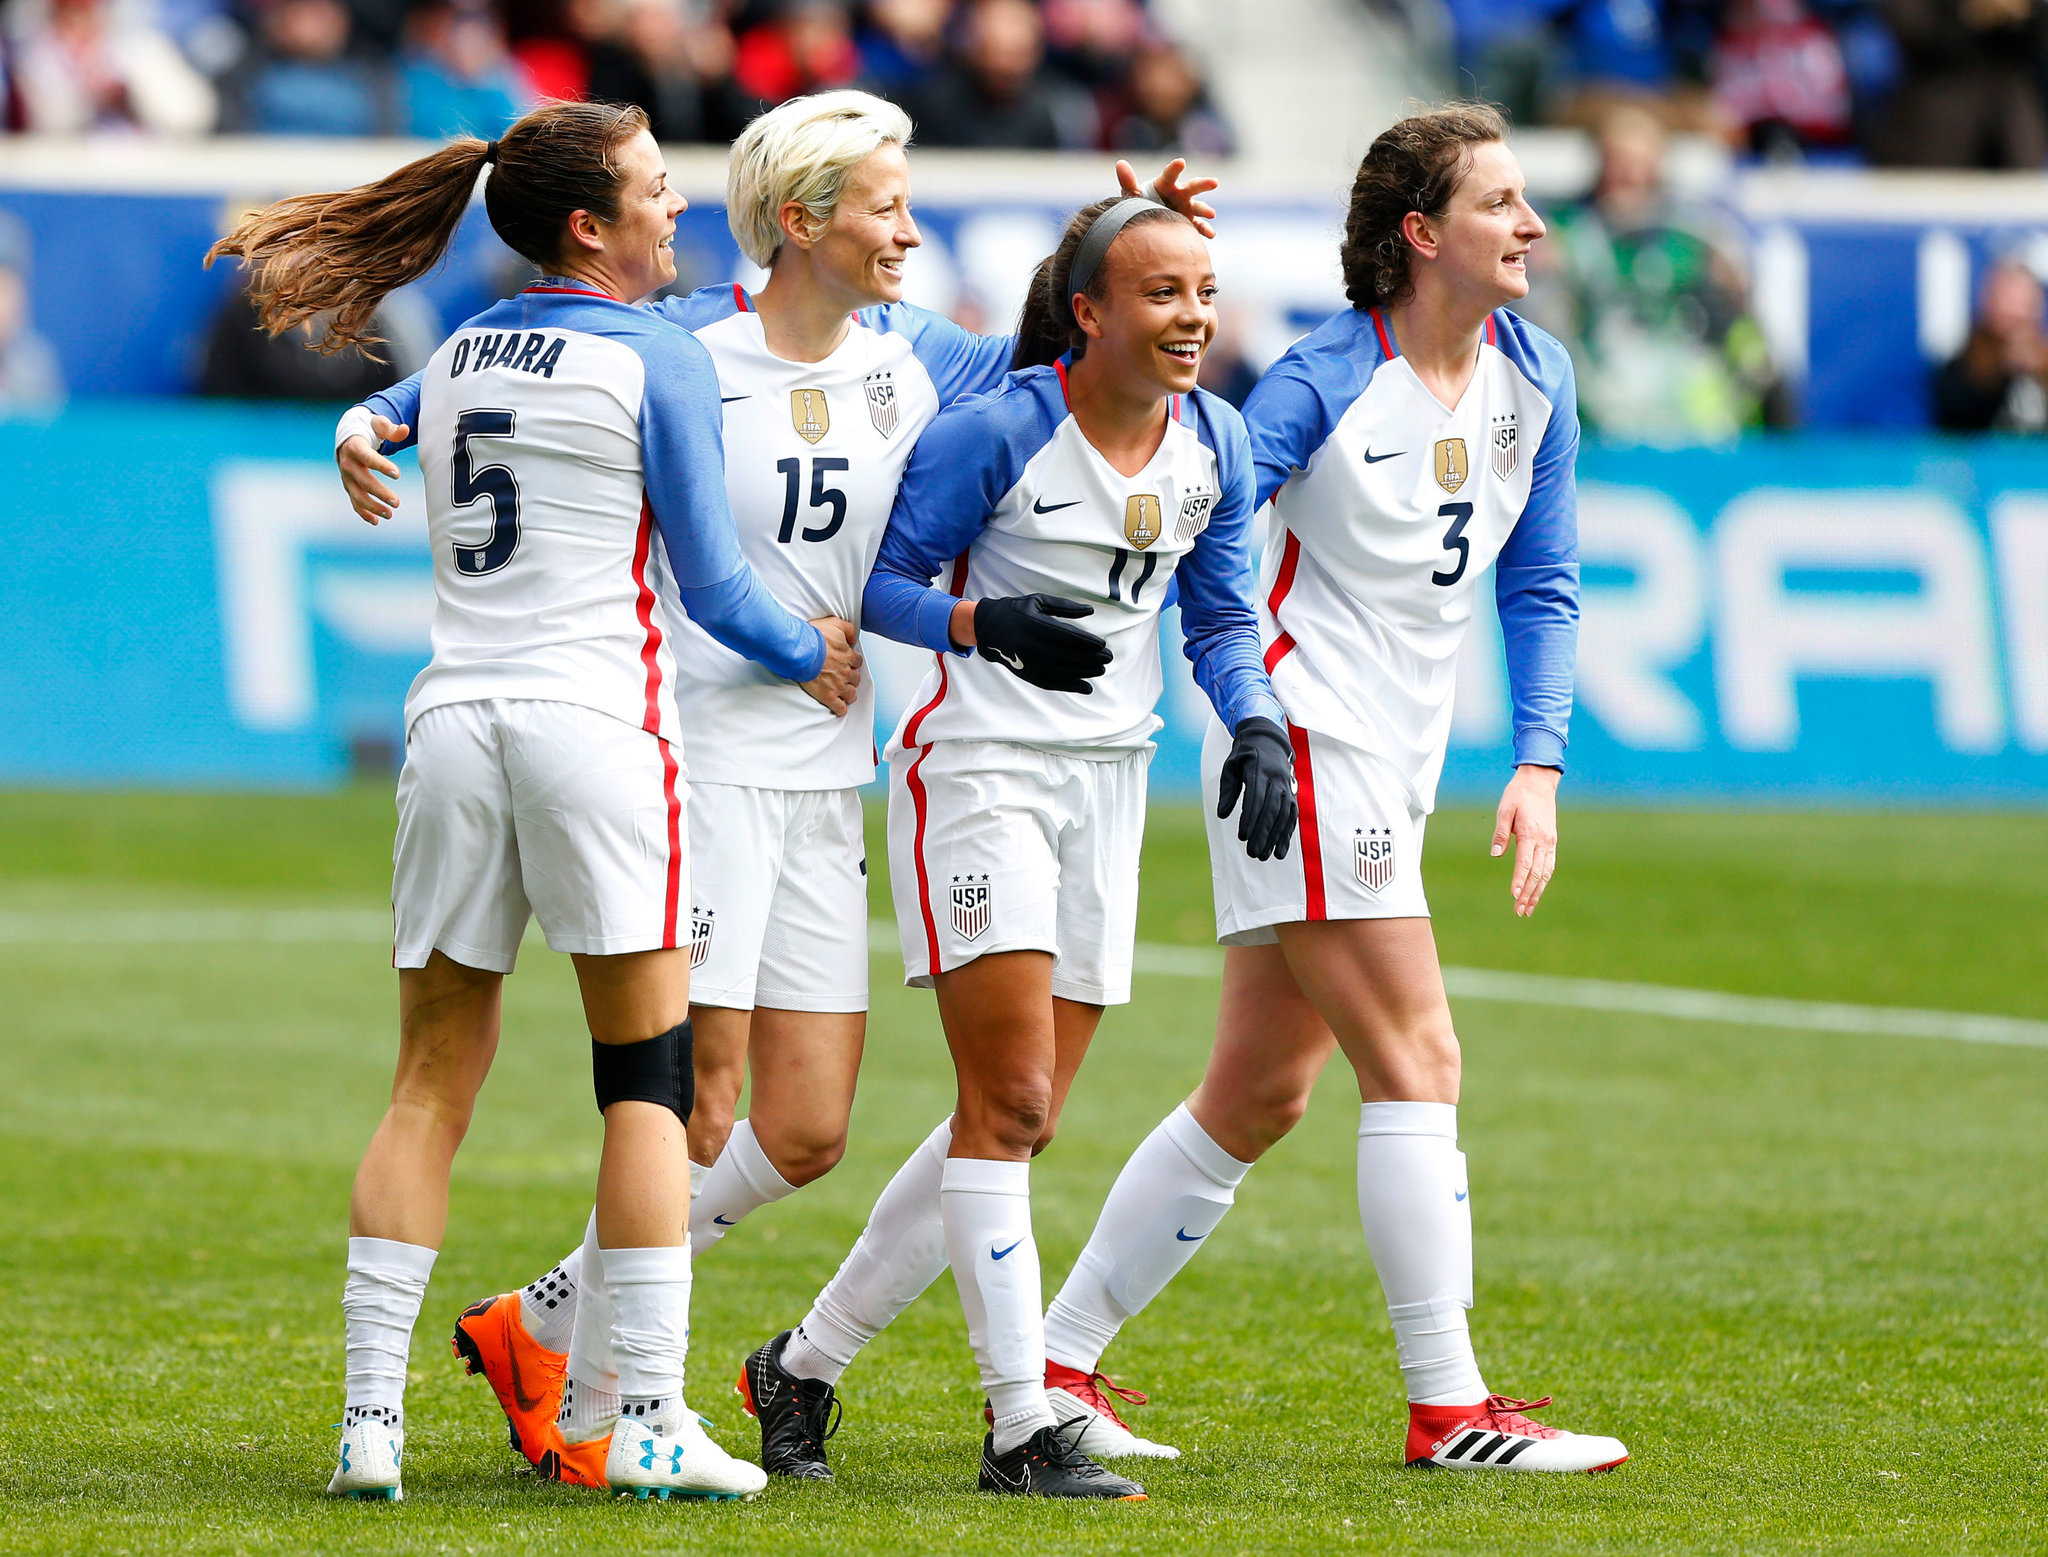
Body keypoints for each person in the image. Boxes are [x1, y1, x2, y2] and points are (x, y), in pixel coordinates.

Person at [338, 90, 1221, 1489]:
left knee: (804, 1128)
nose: (909, 232)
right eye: (885, 204)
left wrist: (1110, 235)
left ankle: (544, 1322)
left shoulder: (921, 360)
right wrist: (375, 414)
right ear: (801, 218)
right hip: (693, 756)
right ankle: (629, 1408)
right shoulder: (684, 340)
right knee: (697, 1097)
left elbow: (1069, 356)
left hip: (830, 768)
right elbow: (503, 373)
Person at [221, 99, 861, 1502]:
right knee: (646, 1086)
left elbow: (403, 402)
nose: (677, 202)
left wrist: (364, 415)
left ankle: (369, 1428)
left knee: (428, 1087)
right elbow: (716, 588)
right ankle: (643, 1417)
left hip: (451, 727)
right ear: (591, 223)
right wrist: (811, 651)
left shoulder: (457, 349)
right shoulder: (659, 361)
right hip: (595, 730)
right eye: (652, 187)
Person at [1031, 102, 1633, 1475]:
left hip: (1396, 763)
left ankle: (1056, 1362)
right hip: (1304, 750)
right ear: (1423, 235)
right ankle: (1450, 1408)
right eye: (1501, 204)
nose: (1531, 225)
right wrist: (1241, 704)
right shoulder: (1318, 383)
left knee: (1257, 1094)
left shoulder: (1534, 375)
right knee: (1421, 1058)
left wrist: (1538, 759)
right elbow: (1202, 503)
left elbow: (1542, 580)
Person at [733, 191, 1297, 1499]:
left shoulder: (1217, 442)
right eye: (1163, 295)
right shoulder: (999, 430)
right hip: (977, 770)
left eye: (1204, 296)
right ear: (1090, 311)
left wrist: (1257, 724)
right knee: (1017, 1103)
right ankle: (1018, 1427)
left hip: (1110, 784)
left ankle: (801, 1369)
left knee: (1012, 1120)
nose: (1193, 320)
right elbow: (881, 587)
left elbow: (1221, 622)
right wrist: (986, 627)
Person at [1933, 256, 2048, 431]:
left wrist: (2041, 372)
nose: (2014, 312)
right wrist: (2001, 370)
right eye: (2007, 300)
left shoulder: (2042, 360)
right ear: (1989, 303)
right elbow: (1953, 417)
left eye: (2023, 303)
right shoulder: (1966, 363)